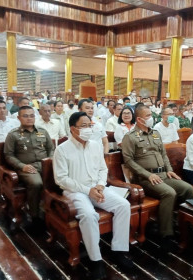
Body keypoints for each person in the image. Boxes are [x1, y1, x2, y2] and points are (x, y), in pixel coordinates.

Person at [53, 112, 133, 280]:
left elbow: (103, 169)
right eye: (84, 126)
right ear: (73, 129)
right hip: (75, 192)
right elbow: (61, 179)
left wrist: (100, 186)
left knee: (123, 205)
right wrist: (87, 189)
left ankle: (119, 251)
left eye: (90, 125)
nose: (88, 129)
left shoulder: (95, 145)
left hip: (97, 188)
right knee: (89, 215)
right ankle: (95, 260)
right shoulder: (62, 149)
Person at [121, 104, 193, 251]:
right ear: (140, 119)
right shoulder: (130, 137)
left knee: (188, 189)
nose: (151, 118)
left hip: (163, 174)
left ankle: (183, 225)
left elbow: (163, 154)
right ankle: (166, 234)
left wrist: (169, 170)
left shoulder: (155, 133)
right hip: (146, 178)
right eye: (148, 116)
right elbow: (128, 161)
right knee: (169, 193)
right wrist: (148, 175)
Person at [4, 106, 53, 221]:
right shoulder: (13, 135)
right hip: (27, 168)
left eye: (32, 116)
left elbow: (51, 148)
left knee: (61, 180)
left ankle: (55, 211)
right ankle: (34, 214)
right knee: (36, 183)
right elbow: (8, 155)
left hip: (45, 165)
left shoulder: (42, 131)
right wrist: (22, 166)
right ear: (19, 118)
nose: (29, 118)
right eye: (25, 116)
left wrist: (50, 160)